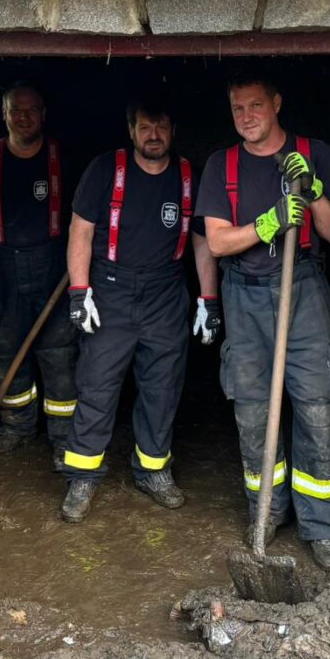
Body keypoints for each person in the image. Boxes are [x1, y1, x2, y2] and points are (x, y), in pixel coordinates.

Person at [198, 72, 330, 570]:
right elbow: (217, 242)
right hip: (245, 293)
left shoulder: (313, 151)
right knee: (253, 411)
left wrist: (313, 190)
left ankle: (322, 526)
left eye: (256, 105)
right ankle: (266, 513)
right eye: (238, 108)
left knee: (315, 406)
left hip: (303, 289)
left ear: (277, 103)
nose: (247, 116)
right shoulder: (223, 165)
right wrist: (269, 221)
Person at [59, 101, 221, 522]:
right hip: (111, 289)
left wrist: (209, 298)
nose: (153, 134)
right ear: (131, 130)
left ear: (172, 129)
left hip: (166, 292)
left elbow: (203, 241)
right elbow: (81, 231)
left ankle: (152, 470)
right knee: (97, 383)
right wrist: (80, 292)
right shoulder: (103, 170)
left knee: (162, 387)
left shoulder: (188, 176)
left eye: (161, 126)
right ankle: (82, 476)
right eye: (145, 126)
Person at [0, 82, 79, 464]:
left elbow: (86, 221)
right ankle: (17, 426)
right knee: (7, 352)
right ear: (4, 114)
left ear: (44, 114)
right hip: (3, 270)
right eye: (16, 110)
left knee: (59, 355)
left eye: (32, 110)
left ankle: (63, 437)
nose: (24, 118)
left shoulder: (65, 158)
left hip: (56, 271)